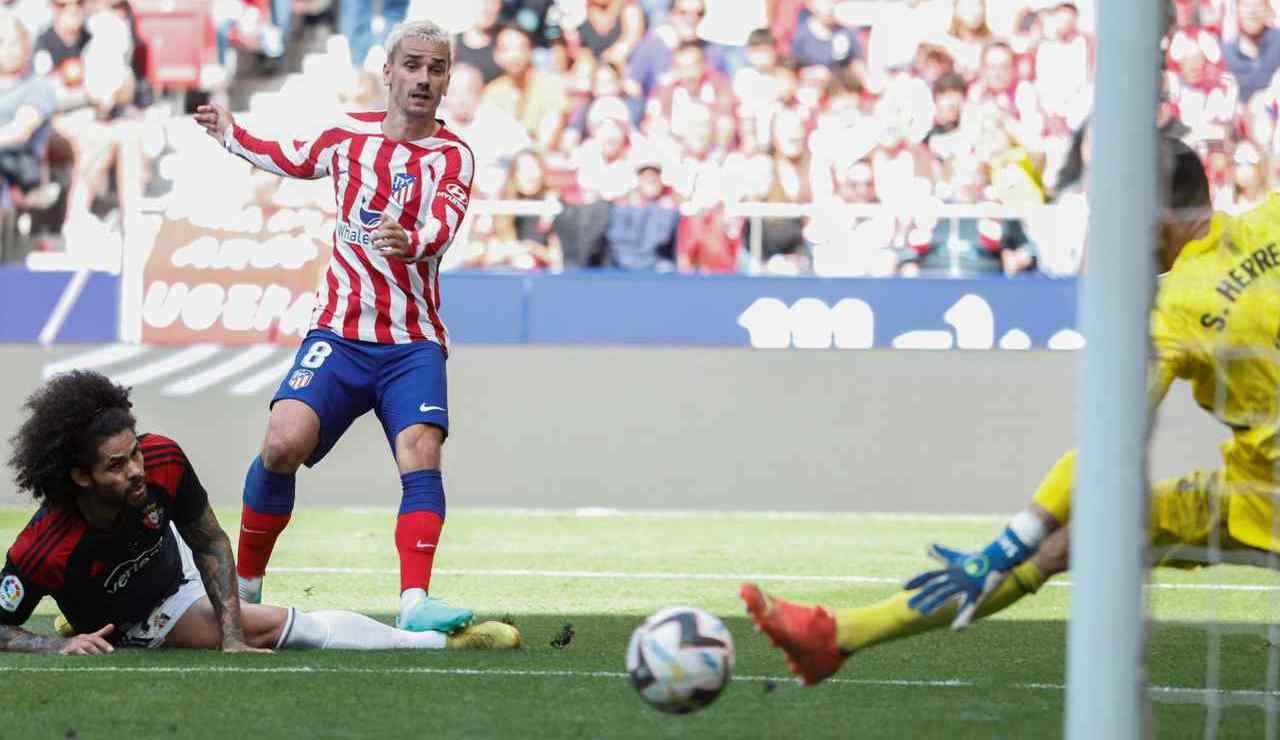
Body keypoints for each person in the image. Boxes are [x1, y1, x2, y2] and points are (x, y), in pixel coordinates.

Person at [741, 138, 1280, 685]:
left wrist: (1007, 543)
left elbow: (1106, 445)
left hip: (1266, 504)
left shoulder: (1176, 310)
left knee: (1064, 534)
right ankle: (836, 638)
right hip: (1249, 491)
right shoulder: (1273, 217)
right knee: (1075, 537)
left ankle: (838, 638)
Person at [193, 20, 478, 635]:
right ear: (389, 70)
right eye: (412, 65)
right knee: (281, 440)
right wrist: (230, 134)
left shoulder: (453, 156)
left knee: (421, 450)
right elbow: (289, 159)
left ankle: (414, 600)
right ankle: (242, 590)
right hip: (340, 335)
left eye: (435, 68)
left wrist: (413, 240)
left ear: (447, 78)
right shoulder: (345, 135)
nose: (423, 78)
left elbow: (444, 226)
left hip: (412, 342)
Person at [0, 371, 520, 654]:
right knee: (267, 626)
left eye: (134, 451)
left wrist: (228, 634)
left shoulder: (160, 459)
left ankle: (91, 611)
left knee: (235, 617)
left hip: (169, 562)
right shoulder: (44, 547)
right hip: (143, 614)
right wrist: (49, 647)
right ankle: (433, 645)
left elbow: (208, 540)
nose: (136, 469)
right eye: (117, 465)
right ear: (80, 477)